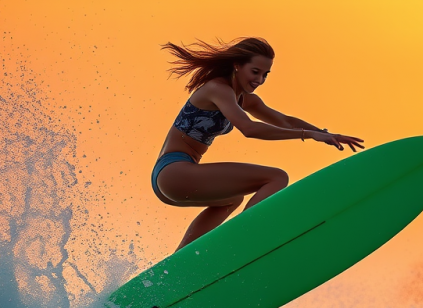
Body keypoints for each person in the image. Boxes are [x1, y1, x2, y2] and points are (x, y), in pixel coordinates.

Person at [152, 37, 365, 250]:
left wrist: (324, 134)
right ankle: (241, 242)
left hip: (169, 177)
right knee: (277, 177)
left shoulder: (243, 98)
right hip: (175, 172)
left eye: (265, 74)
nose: (260, 80)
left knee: (232, 199)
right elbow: (249, 128)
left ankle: (181, 260)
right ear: (237, 65)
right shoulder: (218, 89)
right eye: (255, 72)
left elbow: (284, 120)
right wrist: (307, 134)